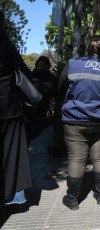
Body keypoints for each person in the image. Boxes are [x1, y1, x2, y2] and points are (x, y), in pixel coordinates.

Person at [58, 36, 100, 210]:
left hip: (75, 120)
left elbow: (60, 89)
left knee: (77, 160)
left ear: (88, 48)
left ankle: (72, 199)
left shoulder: (73, 64)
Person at [0, 10, 32, 209]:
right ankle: (13, 194)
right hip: (9, 107)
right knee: (12, 152)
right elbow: (23, 72)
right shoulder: (6, 47)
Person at [26, 56, 58, 143]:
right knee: (28, 129)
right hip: (29, 109)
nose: (42, 68)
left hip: (43, 109)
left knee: (38, 131)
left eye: (45, 66)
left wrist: (51, 88)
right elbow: (22, 90)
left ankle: (25, 142)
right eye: (40, 65)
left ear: (48, 66)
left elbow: (57, 94)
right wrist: (32, 88)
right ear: (37, 65)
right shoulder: (30, 75)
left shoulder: (52, 78)